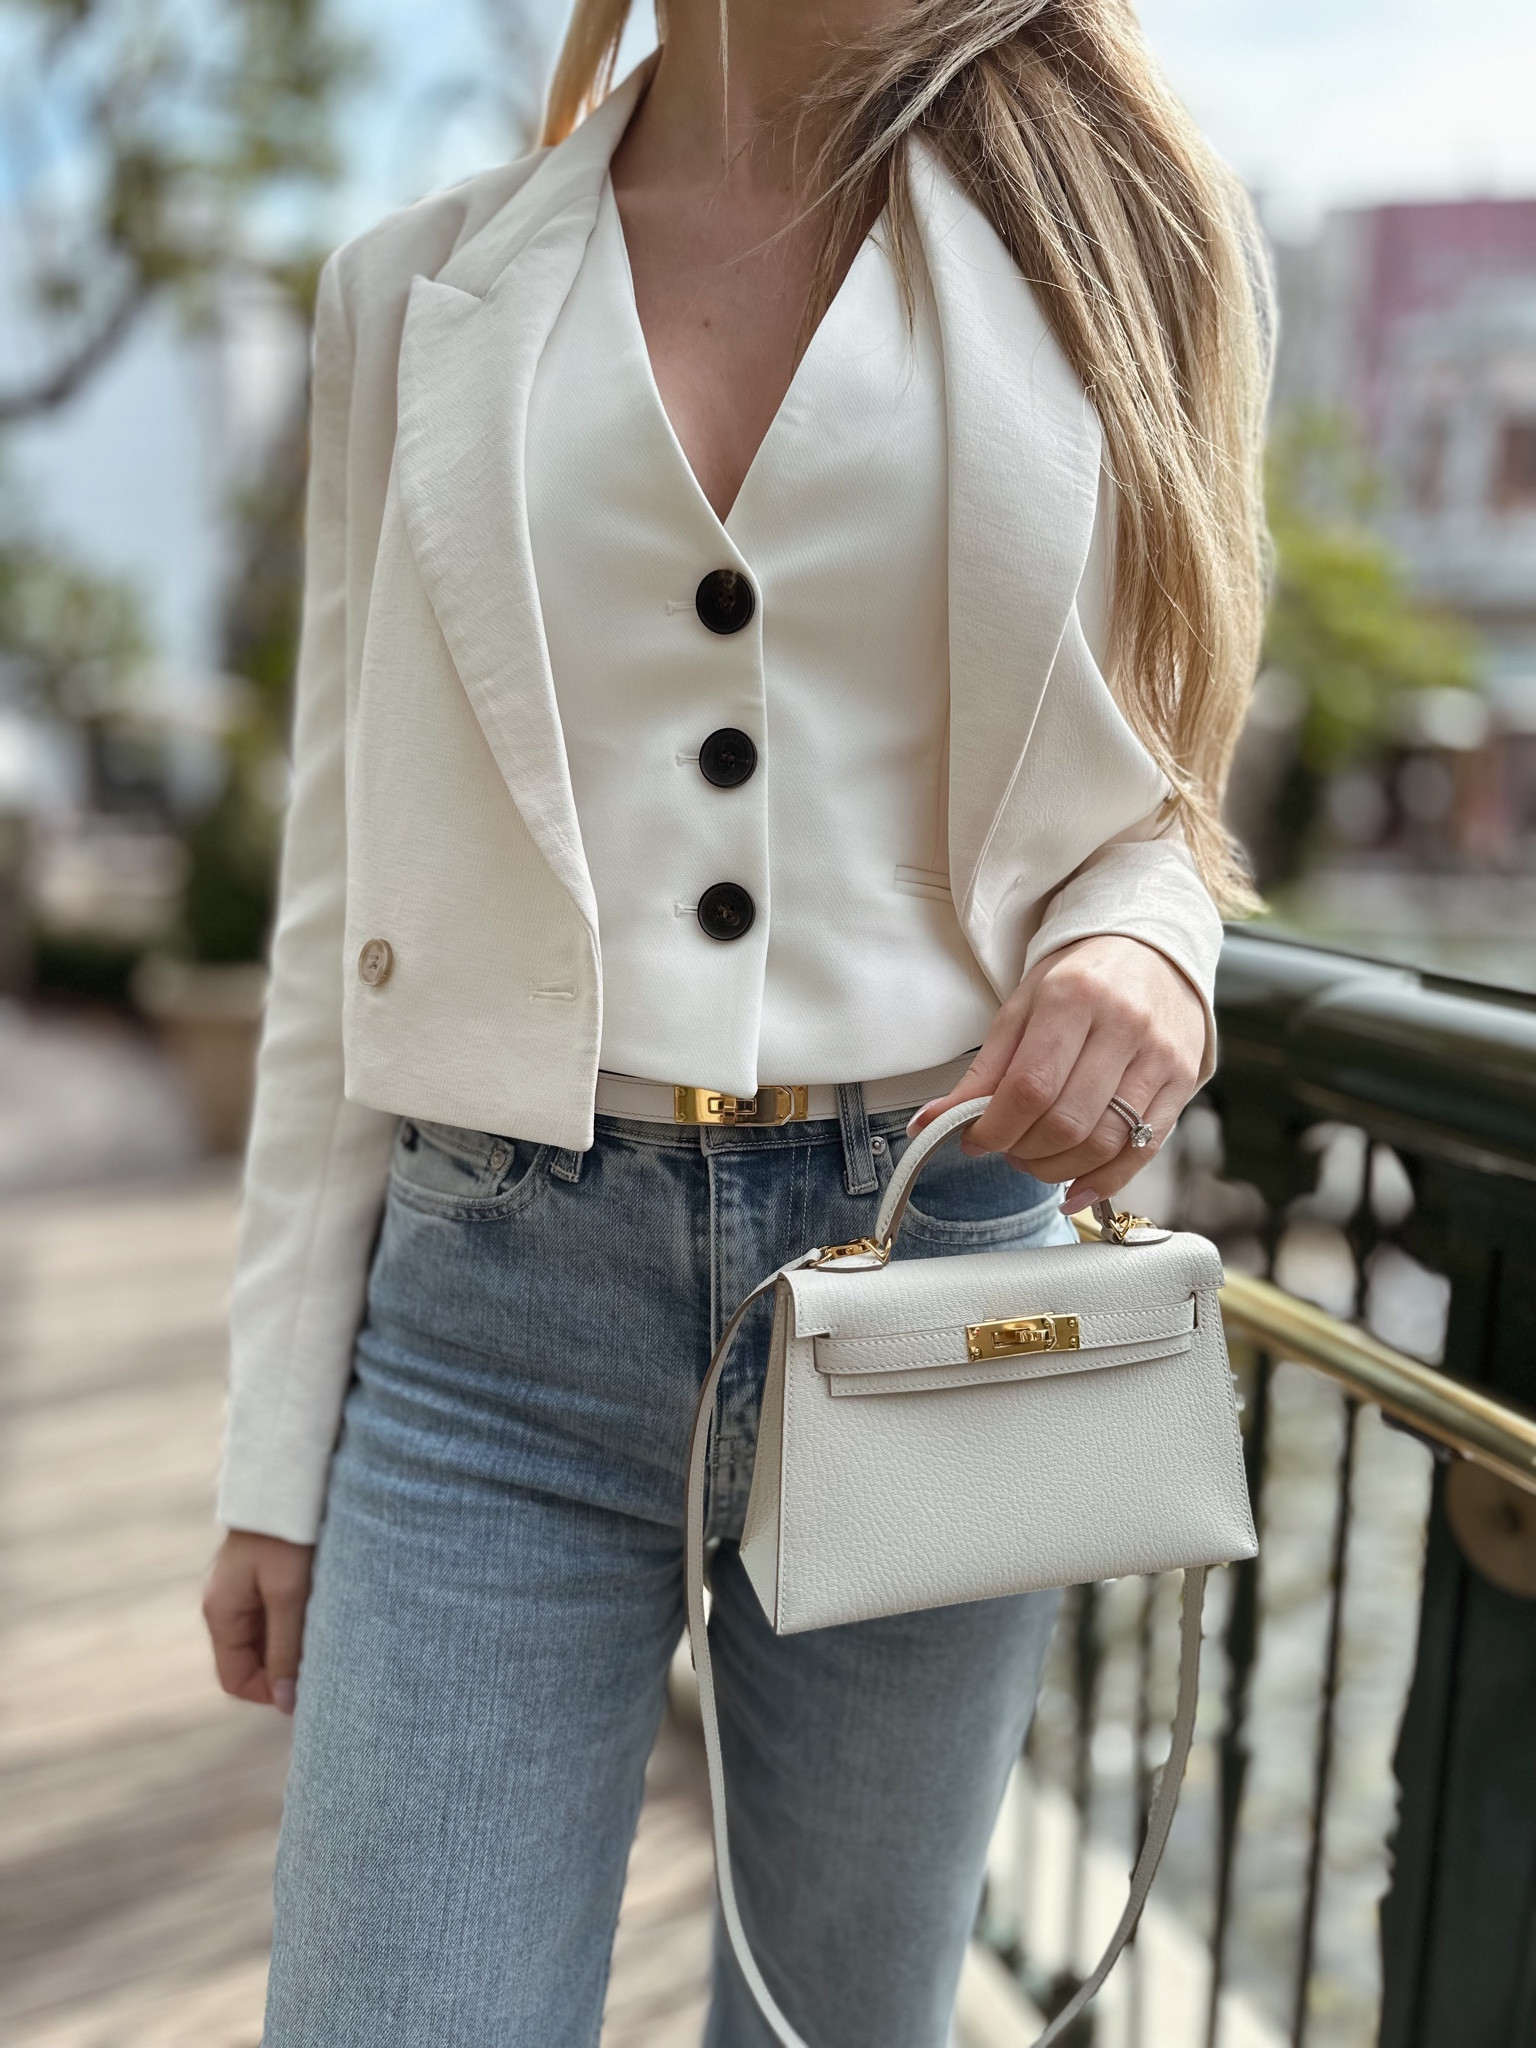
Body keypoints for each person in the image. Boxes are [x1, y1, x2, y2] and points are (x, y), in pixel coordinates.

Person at [201, 1, 1270, 2040]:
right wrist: (272, 1451)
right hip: (490, 1313)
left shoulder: (1132, 233)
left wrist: (1150, 952)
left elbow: (1166, 793)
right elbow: (343, 905)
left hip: (940, 1278)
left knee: (837, 2026)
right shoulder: (413, 290)